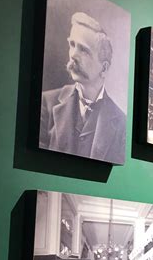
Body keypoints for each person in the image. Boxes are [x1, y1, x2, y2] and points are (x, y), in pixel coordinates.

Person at [39, 12, 126, 164]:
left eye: (84, 50)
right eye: (72, 45)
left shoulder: (121, 122)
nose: (73, 55)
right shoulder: (46, 102)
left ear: (104, 68)